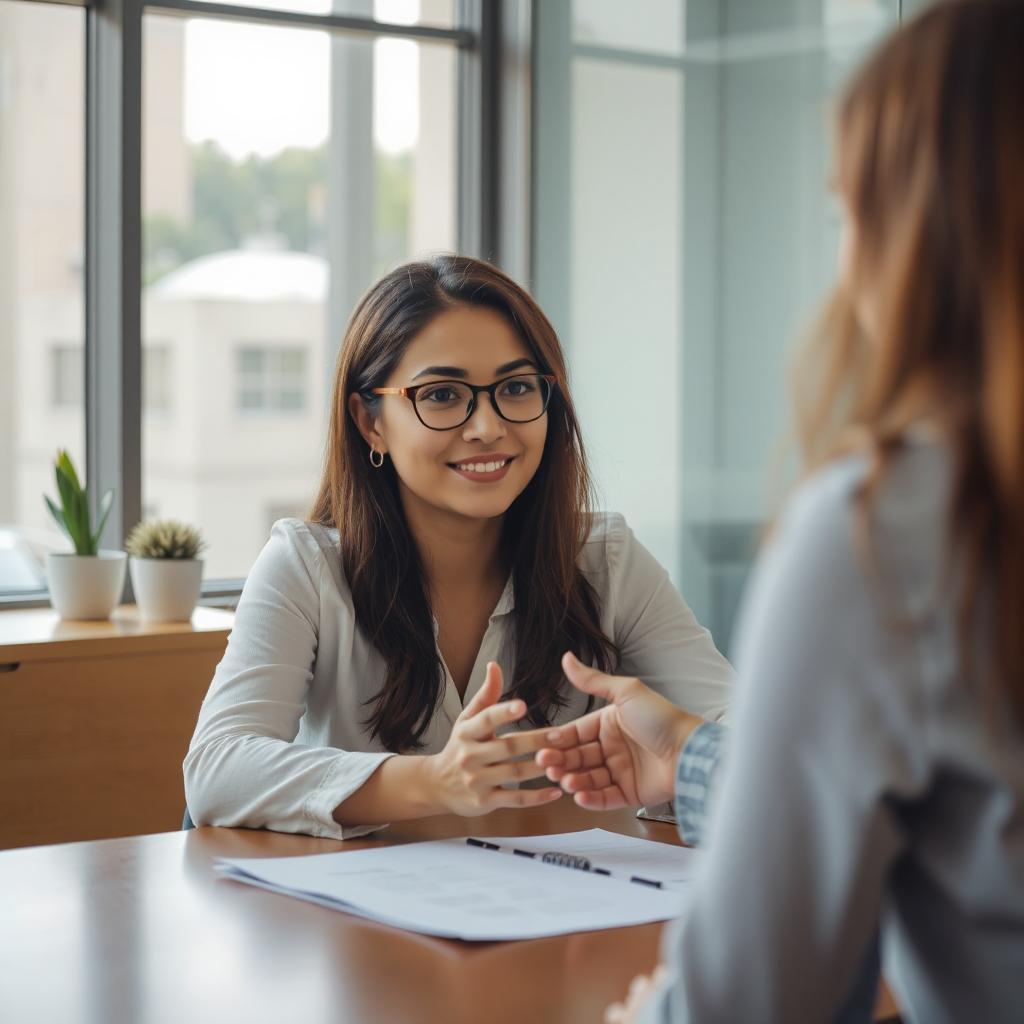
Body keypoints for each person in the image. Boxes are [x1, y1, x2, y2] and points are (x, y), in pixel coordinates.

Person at [536, 2, 1024, 1020]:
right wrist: (687, 756)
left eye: (847, 213)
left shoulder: (889, 529)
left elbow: (757, 999)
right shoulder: (304, 567)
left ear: (916, 237)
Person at [184, 255, 732, 838]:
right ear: (371, 423)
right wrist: (436, 782)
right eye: (443, 395)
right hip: (349, 920)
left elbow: (755, 741)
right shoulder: (306, 566)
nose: (488, 426)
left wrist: (679, 754)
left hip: (558, 913)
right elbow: (217, 770)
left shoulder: (604, 559)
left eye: (516, 388)